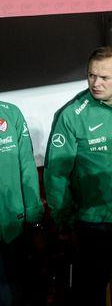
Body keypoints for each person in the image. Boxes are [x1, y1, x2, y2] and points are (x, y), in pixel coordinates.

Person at [44, 47, 112, 306]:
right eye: (91, 75)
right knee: (91, 289)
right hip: (93, 221)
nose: (96, 83)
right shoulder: (71, 116)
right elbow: (56, 175)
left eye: (104, 78)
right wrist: (64, 220)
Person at [0, 100, 44, 306]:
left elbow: (26, 164)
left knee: (20, 290)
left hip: (14, 224)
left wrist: (33, 213)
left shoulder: (10, 113)